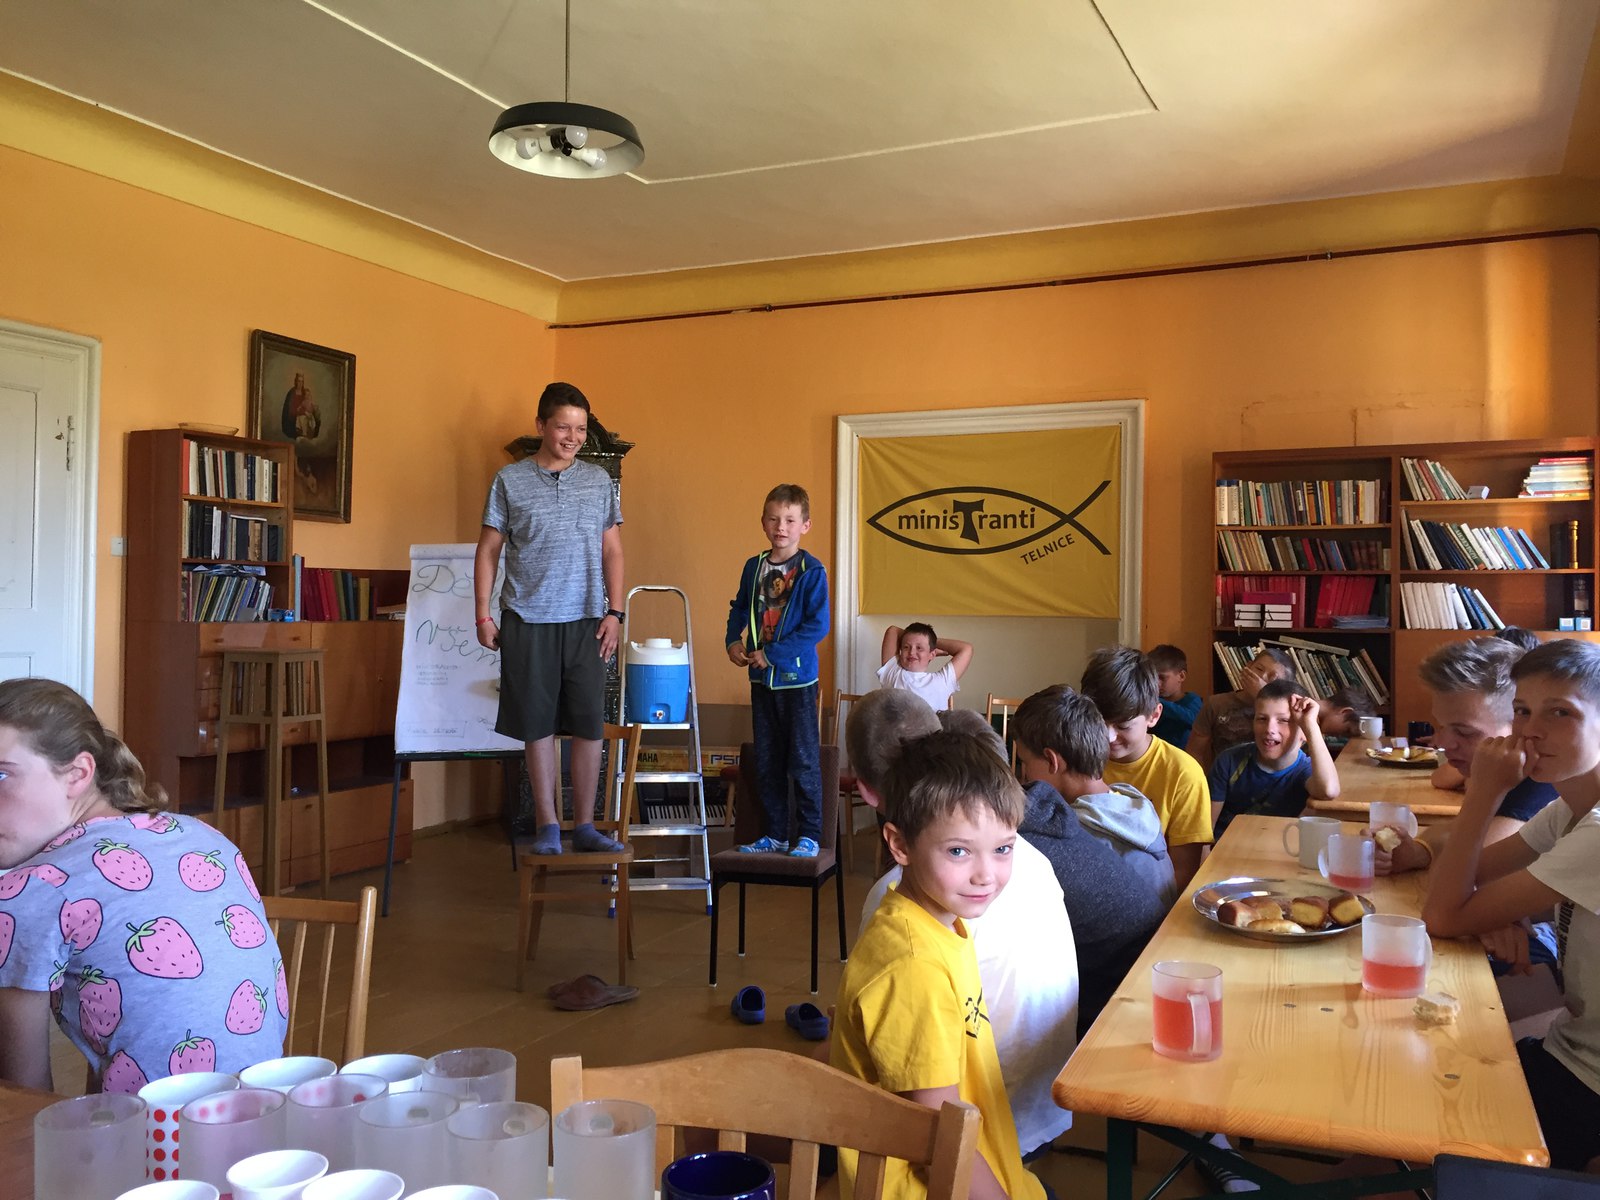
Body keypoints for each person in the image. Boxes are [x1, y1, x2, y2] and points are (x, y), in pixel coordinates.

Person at [0, 678, 287, 1093]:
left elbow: (22, 1094)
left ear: (78, 774)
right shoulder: (203, 837)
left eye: (2, 775)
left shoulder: (30, 891)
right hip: (268, 1111)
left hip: (157, 1132)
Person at [851, 694, 1078, 1161]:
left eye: (1002, 849)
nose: (985, 876)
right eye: (958, 851)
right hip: (1029, 1117)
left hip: (988, 1134)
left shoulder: (912, 912)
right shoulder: (1029, 860)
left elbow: (939, 1138)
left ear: (866, 791)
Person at [1422, 639, 1600, 1171]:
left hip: (1588, 1081)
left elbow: (1443, 915)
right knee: (1416, 1068)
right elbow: (1457, 880)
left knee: (1412, 1110)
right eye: (1522, 710)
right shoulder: (1567, 811)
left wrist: (1483, 792)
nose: (1530, 731)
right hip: (1569, 1046)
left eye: (1560, 713)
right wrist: (1498, 911)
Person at [475, 382, 626, 856]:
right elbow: (488, 550)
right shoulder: (509, 480)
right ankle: (548, 827)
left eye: (580, 429)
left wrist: (616, 612)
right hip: (527, 619)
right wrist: (482, 614)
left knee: (588, 725)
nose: (573, 437)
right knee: (537, 726)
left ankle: (585, 826)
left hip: (587, 620)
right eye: (563, 427)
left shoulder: (599, 483)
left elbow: (612, 550)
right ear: (541, 426)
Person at [1011, 685, 1171, 1033]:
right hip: (1156, 977)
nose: (1023, 777)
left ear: (1052, 761)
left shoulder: (1077, 836)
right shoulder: (1130, 807)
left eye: (1024, 764)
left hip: (1119, 1009)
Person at [1377, 637, 1557, 876]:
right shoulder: (1509, 770)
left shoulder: (1542, 784)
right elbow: (1453, 830)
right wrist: (1419, 852)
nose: (1443, 743)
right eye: (1441, 726)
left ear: (1521, 725)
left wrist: (1482, 792)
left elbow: (1460, 875)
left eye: (1464, 732)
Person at [726, 485, 830, 858]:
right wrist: (732, 641)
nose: (780, 527)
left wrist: (772, 655)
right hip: (761, 682)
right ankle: (775, 833)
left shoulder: (812, 571)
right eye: (773, 519)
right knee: (767, 760)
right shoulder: (753, 566)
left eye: (789, 520)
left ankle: (810, 835)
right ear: (763, 523)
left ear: (805, 525)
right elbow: (740, 608)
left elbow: (817, 626)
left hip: (797, 682)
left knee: (802, 759)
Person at [1080, 647, 1212, 889]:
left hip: (1154, 901)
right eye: (1098, 722)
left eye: (1123, 726)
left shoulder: (1183, 774)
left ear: (1154, 715)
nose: (1109, 737)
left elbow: (1183, 872)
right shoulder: (1075, 759)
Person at [1207, 679, 1340, 838]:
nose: (1270, 729)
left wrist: (1311, 726)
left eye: (1283, 720)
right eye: (1262, 719)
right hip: (1225, 847)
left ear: (1304, 731)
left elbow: (1328, 790)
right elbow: (1206, 829)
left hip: (1276, 848)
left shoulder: (1306, 770)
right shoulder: (1228, 761)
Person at [1187, 646, 1296, 770]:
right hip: (1224, 777)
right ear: (1248, 666)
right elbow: (1194, 751)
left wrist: (1261, 696)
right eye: (1259, 669)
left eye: (1272, 678)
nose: (1262, 677)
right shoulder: (1216, 703)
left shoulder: (1287, 714)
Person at [876, 622, 973, 711]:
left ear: (932, 654)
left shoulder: (943, 680)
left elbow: (966, 649)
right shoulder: (892, 672)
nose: (911, 652)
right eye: (906, 647)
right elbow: (893, 631)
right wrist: (925, 643)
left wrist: (932, 642)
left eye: (919, 648)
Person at [1148, 644, 1202, 750]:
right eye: (1152, 678)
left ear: (1181, 676)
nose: (1157, 683)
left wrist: (1156, 702)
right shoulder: (1150, 702)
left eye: (1162, 677)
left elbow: (1194, 721)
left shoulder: (1192, 700)